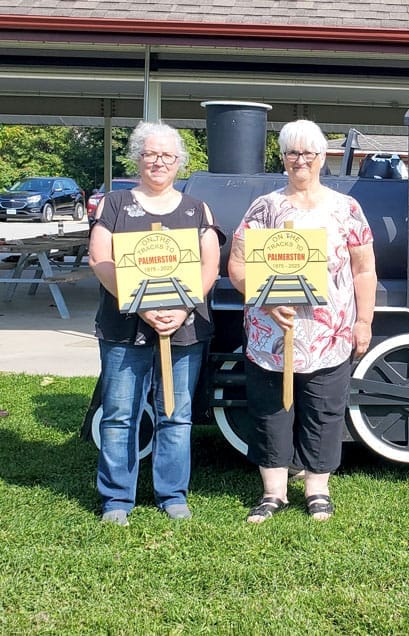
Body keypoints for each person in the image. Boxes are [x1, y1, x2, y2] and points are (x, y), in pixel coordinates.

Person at [228, 119, 376, 523]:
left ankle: (317, 489)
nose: (300, 161)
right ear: (283, 158)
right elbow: (238, 264)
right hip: (271, 332)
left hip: (329, 334)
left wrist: (364, 321)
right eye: (293, 153)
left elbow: (364, 270)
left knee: (324, 410)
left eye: (309, 153)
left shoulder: (347, 209)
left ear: (322, 157)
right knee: (271, 410)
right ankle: (273, 493)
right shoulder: (264, 207)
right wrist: (263, 298)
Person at [88, 121, 223, 526]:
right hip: (124, 327)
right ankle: (116, 499)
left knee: (176, 414)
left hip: (183, 328)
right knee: (118, 414)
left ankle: (172, 494)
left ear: (179, 162)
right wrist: (140, 303)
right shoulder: (113, 204)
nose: (158, 162)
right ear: (137, 159)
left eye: (167, 155)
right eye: (150, 154)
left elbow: (209, 264)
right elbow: (100, 260)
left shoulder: (196, 209)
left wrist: (182, 309)